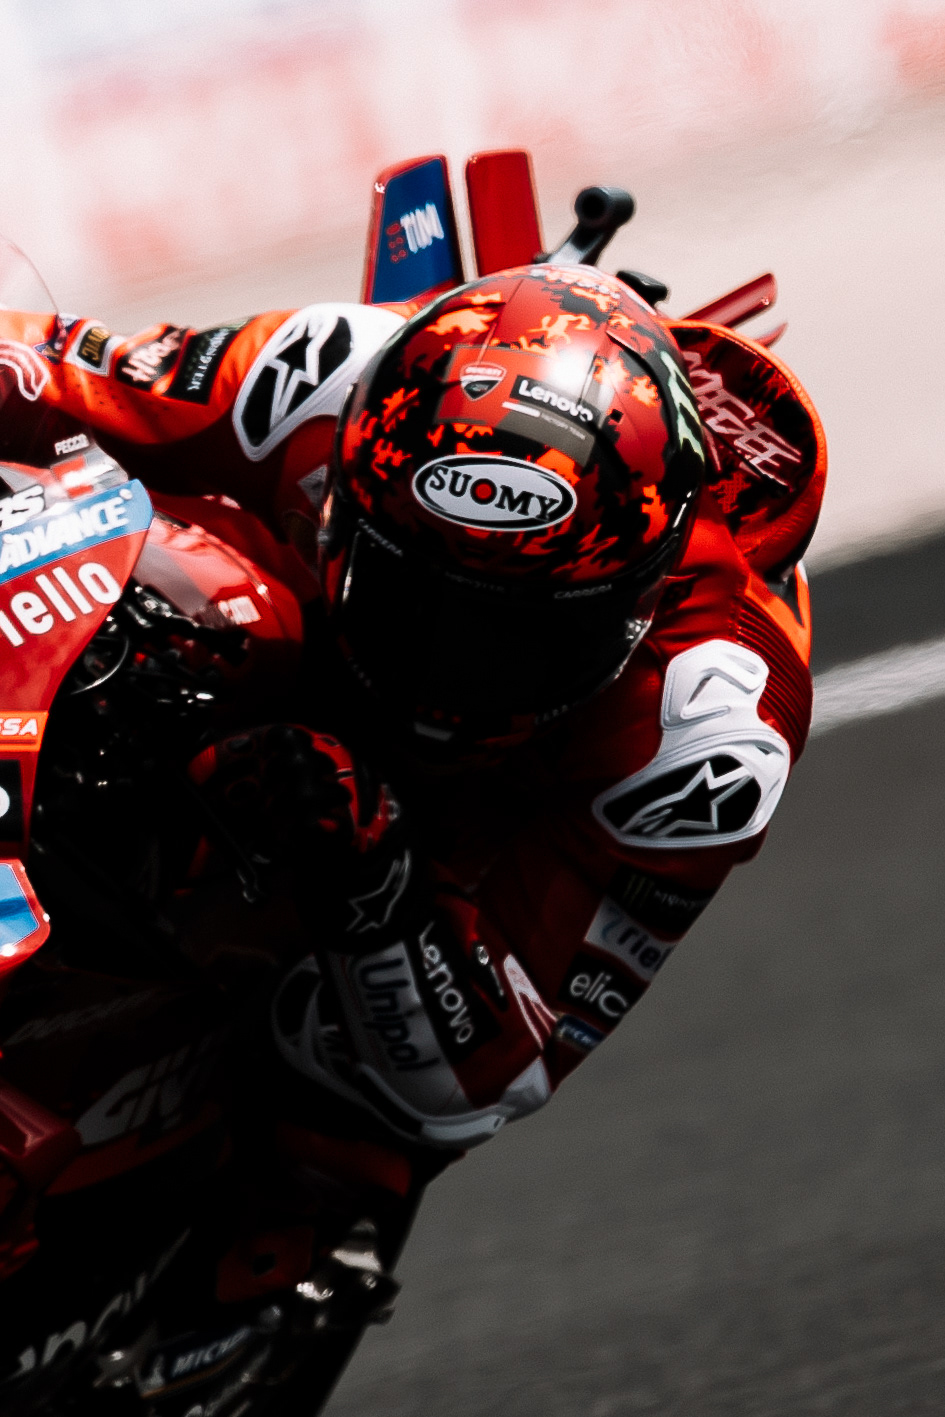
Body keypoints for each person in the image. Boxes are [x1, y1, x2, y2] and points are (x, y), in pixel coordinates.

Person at [0, 260, 824, 1258]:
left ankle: (270, 1253)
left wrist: (375, 878)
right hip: (292, 677)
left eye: (510, 643)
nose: (442, 671)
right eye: (409, 599)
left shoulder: (708, 725)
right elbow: (55, 367)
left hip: (467, 842)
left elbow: (495, 1070)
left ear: (631, 611)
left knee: (339, 1093)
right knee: (180, 584)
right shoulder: (325, 378)